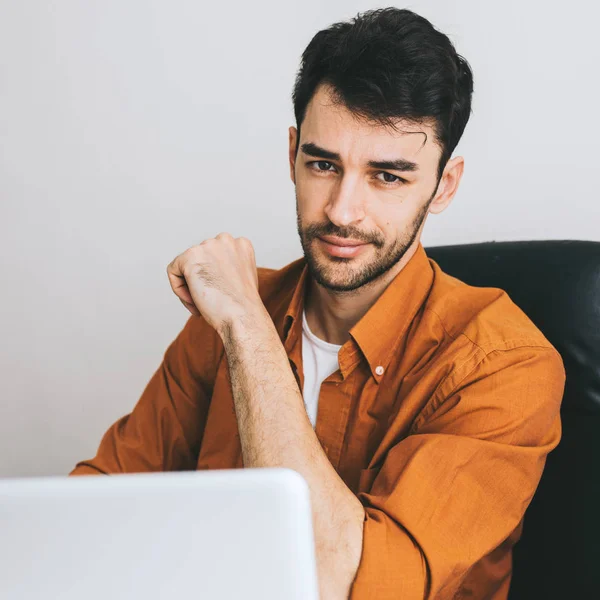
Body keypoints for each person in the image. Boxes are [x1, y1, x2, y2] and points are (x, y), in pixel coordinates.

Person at [70, 7, 565, 600]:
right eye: (323, 164)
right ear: (291, 156)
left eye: (387, 176)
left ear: (444, 185)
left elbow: (342, 585)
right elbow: (88, 513)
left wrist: (247, 329)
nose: (341, 210)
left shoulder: (504, 367)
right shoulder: (229, 314)